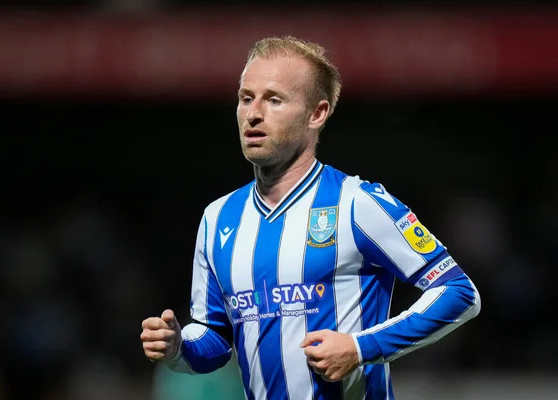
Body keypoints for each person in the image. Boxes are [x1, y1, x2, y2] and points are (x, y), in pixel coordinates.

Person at [140, 36, 481, 399]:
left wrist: (359, 347)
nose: (253, 113)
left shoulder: (358, 203)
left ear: (316, 114)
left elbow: (459, 291)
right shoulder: (217, 218)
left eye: (274, 99)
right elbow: (216, 338)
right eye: (245, 98)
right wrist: (178, 345)